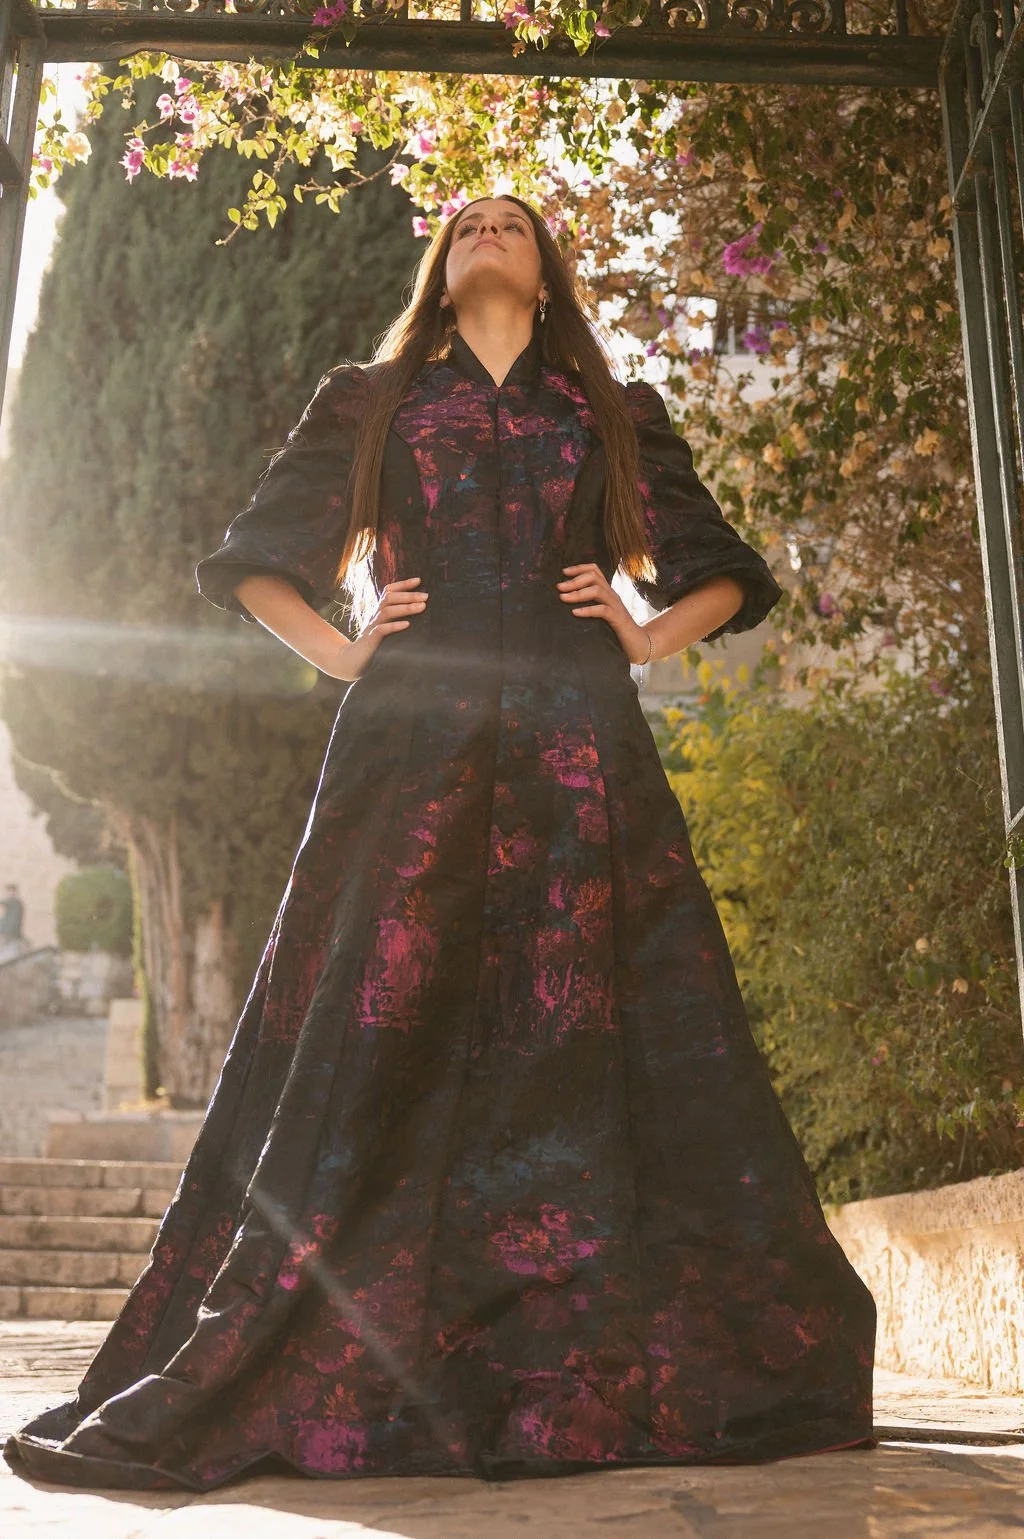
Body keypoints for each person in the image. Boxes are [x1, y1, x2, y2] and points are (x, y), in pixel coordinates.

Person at [5, 194, 876, 1493]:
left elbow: (723, 569)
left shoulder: (613, 408)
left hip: (580, 756)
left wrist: (643, 633)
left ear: (547, 271)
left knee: (594, 1035)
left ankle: (558, 1362)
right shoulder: (369, 400)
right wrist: (347, 651)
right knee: (379, 1029)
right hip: (410, 750)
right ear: (438, 266)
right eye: (466, 222)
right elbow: (257, 561)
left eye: (512, 221)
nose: (486, 229)